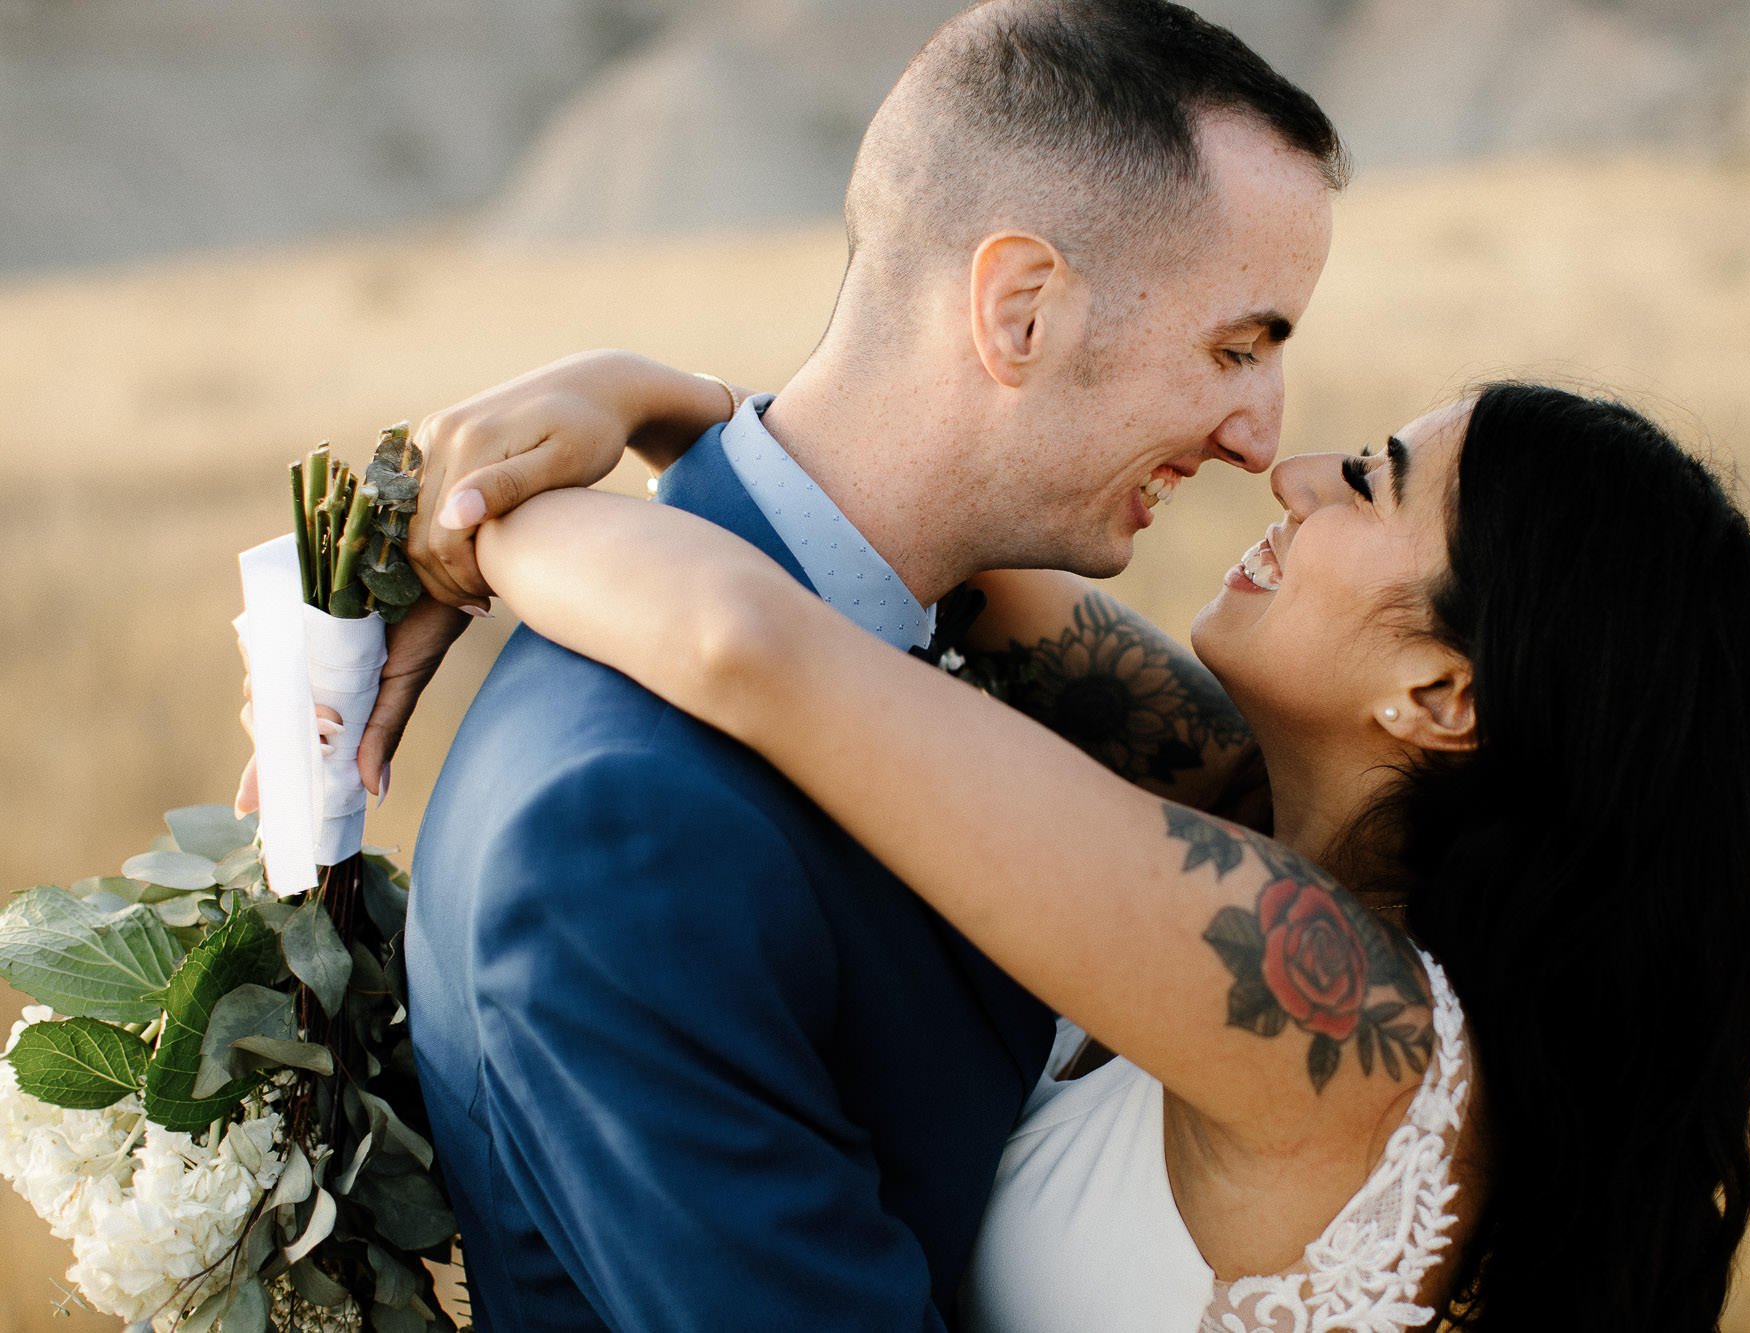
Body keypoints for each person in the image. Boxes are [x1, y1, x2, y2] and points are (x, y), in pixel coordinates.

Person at [375, 375, 1750, 1331]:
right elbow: (912, 546)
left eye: (1372, 482)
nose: (1295, 475)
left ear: (1441, 697)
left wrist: (465, 525)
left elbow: (748, 644)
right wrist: (623, 393)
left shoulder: (1338, 1018)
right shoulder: (1246, 799)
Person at [382, 3, 1346, 1328]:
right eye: (1236, 347)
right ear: (1020, 310)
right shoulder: (624, 835)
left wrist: (660, 403)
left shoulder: (952, 623)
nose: (1260, 439)